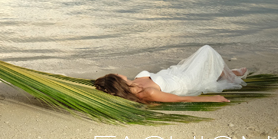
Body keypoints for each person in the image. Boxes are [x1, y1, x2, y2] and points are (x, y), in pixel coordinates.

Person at [94, 45, 248, 103]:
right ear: (117, 81)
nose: (116, 72)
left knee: (207, 56)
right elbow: (181, 99)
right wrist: (213, 99)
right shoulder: (146, 93)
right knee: (207, 51)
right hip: (186, 80)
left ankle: (227, 72)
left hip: (176, 71)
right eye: (114, 74)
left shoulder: (134, 82)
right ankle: (230, 76)